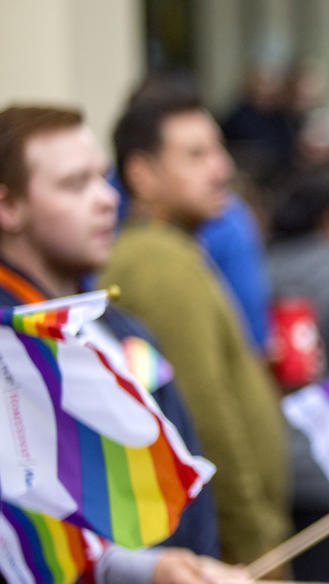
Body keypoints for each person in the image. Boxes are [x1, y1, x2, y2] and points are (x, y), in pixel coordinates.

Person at [0, 105, 245, 583]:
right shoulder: (10, 352)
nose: (106, 199)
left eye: (102, 178)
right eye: (75, 184)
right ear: (8, 207)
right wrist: (146, 571)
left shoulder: (119, 325)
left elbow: (185, 483)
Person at [98, 85, 291, 566]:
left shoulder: (171, 251)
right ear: (141, 174)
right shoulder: (159, 262)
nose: (221, 167)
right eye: (196, 154)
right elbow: (207, 417)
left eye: (219, 149)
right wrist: (258, 548)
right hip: (230, 557)